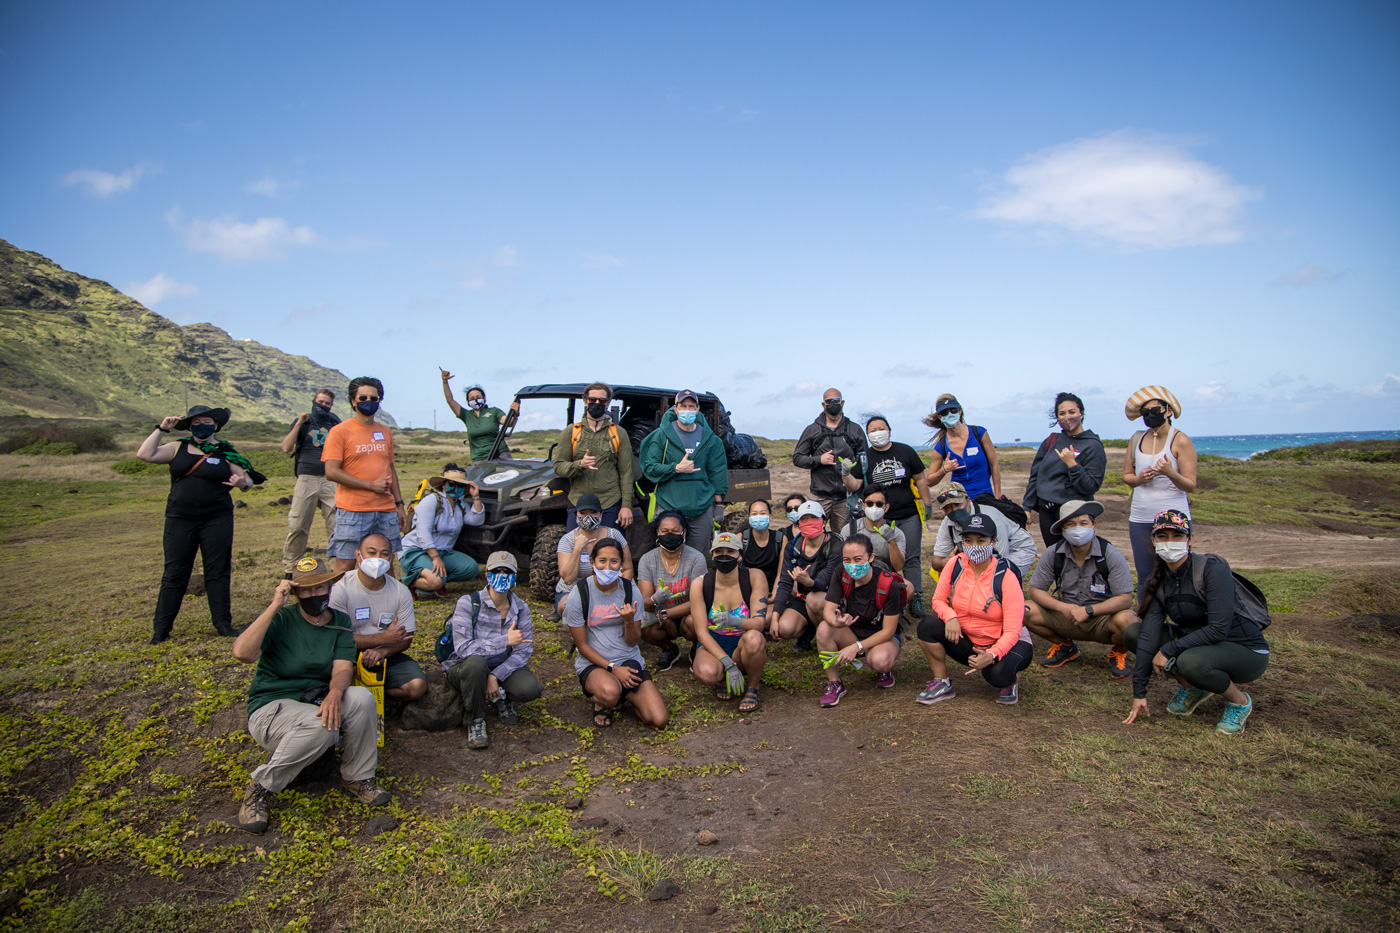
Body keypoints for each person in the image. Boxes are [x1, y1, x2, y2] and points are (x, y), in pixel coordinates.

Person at [233, 558, 389, 834]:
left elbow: (343, 668)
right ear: (295, 593)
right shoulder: (282, 619)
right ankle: (260, 788)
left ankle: (358, 777)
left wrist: (334, 692)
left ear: (329, 586)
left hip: (313, 702)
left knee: (361, 698)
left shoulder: (339, 622)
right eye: (304, 590)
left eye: (319, 588)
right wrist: (274, 605)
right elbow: (243, 653)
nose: (313, 595)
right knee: (324, 726)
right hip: (272, 707)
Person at [1122, 510, 1269, 735]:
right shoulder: (1161, 580)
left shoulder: (1211, 570)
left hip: (1245, 650)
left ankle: (1239, 702)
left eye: (1177, 536)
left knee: (1191, 661)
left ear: (1190, 539)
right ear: (1153, 540)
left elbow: (1218, 629)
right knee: (1134, 633)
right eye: (1162, 537)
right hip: (1201, 644)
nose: (1169, 543)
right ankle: (1193, 689)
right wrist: (1139, 692)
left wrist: (1169, 649)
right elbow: (1148, 635)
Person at [137, 405, 263, 644]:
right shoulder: (177, 448)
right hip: (180, 518)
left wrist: (241, 484)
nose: (200, 426)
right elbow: (145, 454)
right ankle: (161, 629)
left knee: (217, 570)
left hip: (217, 518)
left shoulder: (226, 453)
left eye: (205, 421)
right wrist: (161, 429)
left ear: (215, 425)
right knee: (175, 573)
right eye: (195, 423)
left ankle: (223, 624)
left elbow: (247, 481)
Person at [915, 513, 1033, 706]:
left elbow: (1013, 630)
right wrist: (950, 616)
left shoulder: (1006, 575)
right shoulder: (955, 564)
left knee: (998, 677)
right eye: (968, 541)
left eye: (981, 540)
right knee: (928, 625)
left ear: (993, 542)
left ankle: (1009, 680)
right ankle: (941, 682)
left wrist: (992, 654)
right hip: (970, 639)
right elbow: (938, 599)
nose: (974, 546)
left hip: (1006, 642)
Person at [441, 552, 543, 749]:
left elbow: (523, 652)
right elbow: (463, 649)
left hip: (499, 666)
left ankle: (500, 695)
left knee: (530, 689)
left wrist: (495, 675)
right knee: (477, 665)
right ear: (487, 575)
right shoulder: (468, 602)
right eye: (497, 571)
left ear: (515, 577)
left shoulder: (521, 608)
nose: (502, 575)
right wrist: (504, 641)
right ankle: (475, 720)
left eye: (508, 572)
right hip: (465, 667)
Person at [1024, 501, 1137, 677]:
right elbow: (1036, 590)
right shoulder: (1053, 553)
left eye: (1083, 523)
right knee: (1024, 610)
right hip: (1067, 615)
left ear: (1094, 525)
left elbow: (1125, 598)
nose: (1078, 529)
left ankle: (1119, 651)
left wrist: (1089, 610)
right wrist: (1063, 607)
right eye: (1070, 524)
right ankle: (1065, 646)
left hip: (1101, 618)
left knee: (1129, 621)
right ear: (1063, 529)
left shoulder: (1110, 554)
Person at [564, 539, 669, 729]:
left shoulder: (630, 591)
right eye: (602, 561)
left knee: (658, 720)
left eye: (614, 561)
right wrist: (613, 668)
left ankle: (624, 695)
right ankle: (604, 700)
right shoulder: (579, 594)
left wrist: (629, 621)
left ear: (621, 564)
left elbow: (633, 640)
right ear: (592, 562)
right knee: (609, 692)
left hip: (627, 661)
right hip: (595, 664)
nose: (607, 567)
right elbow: (582, 646)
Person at [841, 415, 930, 617]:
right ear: (868, 434)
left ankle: (914, 596)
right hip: (879, 517)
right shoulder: (864, 458)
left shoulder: (905, 450)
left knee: (911, 556)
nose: (877, 432)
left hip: (907, 513)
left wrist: (927, 503)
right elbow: (855, 485)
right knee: (876, 555)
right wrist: (845, 473)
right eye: (872, 430)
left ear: (889, 430)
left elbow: (920, 480)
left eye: (881, 428)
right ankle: (878, 592)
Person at [329, 532, 427, 702]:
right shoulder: (341, 588)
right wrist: (384, 638)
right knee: (339, 679)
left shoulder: (400, 591)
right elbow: (339, 639)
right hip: (347, 655)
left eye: (384, 554)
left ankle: (377, 694)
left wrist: (382, 651)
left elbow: (407, 638)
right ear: (358, 555)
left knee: (417, 687)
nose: (377, 558)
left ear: (391, 558)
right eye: (371, 553)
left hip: (386, 655)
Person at [323, 377, 407, 573]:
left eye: (374, 398)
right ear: (353, 401)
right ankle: (339, 604)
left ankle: (386, 603)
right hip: (353, 510)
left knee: (386, 564)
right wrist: (369, 485)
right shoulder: (339, 432)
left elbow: (390, 469)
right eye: (363, 397)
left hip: (386, 510)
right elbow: (331, 472)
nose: (368, 401)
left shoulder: (385, 432)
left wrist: (399, 504)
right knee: (346, 564)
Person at [1122, 387, 1198, 597]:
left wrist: (1169, 472)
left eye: (1155, 410)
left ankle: (1183, 615)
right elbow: (1127, 475)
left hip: (1173, 515)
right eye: (1145, 412)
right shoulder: (1136, 439)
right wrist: (1139, 479)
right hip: (1140, 516)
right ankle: (1147, 620)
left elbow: (1190, 484)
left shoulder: (1180, 440)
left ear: (1168, 411)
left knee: (1178, 569)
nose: (1150, 416)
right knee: (1145, 573)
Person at [816, 535, 905, 707]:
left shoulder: (888, 584)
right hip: (852, 632)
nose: (852, 565)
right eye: (847, 560)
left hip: (881, 636)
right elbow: (828, 610)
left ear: (871, 558)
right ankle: (834, 682)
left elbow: (888, 631)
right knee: (823, 628)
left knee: (880, 661)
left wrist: (857, 647)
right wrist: (836, 622)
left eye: (858, 559)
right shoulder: (841, 573)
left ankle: (884, 670)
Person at [688, 532, 770, 713]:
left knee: (754, 639)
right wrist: (727, 663)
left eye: (730, 551)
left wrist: (736, 621)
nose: (724, 556)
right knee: (707, 673)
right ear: (712, 555)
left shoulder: (754, 577)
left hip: (743, 643)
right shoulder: (701, 584)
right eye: (719, 552)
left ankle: (753, 687)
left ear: (739, 555)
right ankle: (722, 676)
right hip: (714, 642)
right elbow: (701, 632)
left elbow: (759, 624)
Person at [639, 390, 729, 546]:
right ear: (675, 409)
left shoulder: (710, 439)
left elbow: (717, 472)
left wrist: (719, 505)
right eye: (683, 406)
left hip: (701, 508)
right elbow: (649, 467)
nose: (687, 410)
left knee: (698, 555)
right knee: (667, 551)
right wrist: (676, 469)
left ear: (697, 409)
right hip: (668, 507)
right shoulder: (661, 436)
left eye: (691, 406)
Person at [1022, 392, 1107, 547]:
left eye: (1072, 412)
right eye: (1062, 413)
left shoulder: (1092, 445)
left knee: (1078, 556)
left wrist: (1072, 465)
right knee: (1055, 557)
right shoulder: (1051, 441)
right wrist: (1027, 507)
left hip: (1075, 514)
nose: (1067, 417)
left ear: (1081, 413)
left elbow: (1091, 486)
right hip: (1047, 512)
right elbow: (1036, 476)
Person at [553, 382, 635, 531]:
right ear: (585, 400)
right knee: (577, 548)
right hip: (579, 502)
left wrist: (626, 506)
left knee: (611, 549)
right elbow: (558, 466)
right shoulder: (571, 432)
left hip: (610, 502)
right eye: (592, 400)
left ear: (608, 403)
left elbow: (626, 472)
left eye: (602, 401)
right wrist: (579, 465)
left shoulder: (618, 433)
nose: (597, 403)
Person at [280, 389, 341, 577]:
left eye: (327, 403)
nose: (323, 406)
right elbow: (286, 447)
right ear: (313, 401)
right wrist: (299, 423)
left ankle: (336, 567)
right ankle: (291, 568)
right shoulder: (303, 423)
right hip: (306, 477)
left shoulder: (335, 422)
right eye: (320, 402)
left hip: (330, 479)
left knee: (336, 524)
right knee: (298, 524)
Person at [397, 467, 485, 597]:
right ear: (443, 486)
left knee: (470, 569)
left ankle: (436, 578)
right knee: (436, 581)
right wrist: (435, 557)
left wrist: (476, 497)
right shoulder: (432, 500)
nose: (456, 487)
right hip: (417, 550)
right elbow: (423, 532)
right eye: (452, 484)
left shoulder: (460, 505)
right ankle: (407, 583)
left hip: (444, 551)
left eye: (460, 485)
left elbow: (476, 520)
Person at [637, 511, 708, 672]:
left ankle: (698, 647)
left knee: (694, 621)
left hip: (686, 614)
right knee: (642, 627)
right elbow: (645, 602)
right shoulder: (647, 560)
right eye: (665, 531)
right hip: (659, 616)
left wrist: (666, 613)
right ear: (657, 532)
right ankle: (669, 649)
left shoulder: (696, 558)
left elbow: (699, 601)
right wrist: (655, 599)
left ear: (684, 533)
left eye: (675, 531)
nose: (670, 535)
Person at [766, 501, 844, 646]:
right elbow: (785, 582)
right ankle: (809, 629)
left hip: (828, 598)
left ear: (824, 521)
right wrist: (775, 618)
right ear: (798, 522)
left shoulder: (834, 546)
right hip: (803, 597)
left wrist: (808, 582)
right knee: (784, 628)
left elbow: (825, 581)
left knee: (815, 599)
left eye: (813, 518)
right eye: (803, 519)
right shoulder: (793, 546)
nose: (808, 522)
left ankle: (829, 637)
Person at [792, 388, 866, 534]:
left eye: (836, 401)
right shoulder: (812, 430)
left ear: (842, 403)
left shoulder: (855, 430)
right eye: (829, 401)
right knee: (811, 533)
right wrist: (819, 460)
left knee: (844, 537)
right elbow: (798, 458)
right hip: (819, 496)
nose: (833, 404)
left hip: (846, 497)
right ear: (823, 405)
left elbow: (864, 461)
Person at [931, 482, 1038, 578]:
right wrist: (947, 563)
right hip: (981, 556)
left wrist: (957, 563)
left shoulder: (991, 519)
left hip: (1016, 549)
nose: (954, 510)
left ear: (968, 500)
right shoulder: (947, 522)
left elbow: (999, 562)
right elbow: (936, 562)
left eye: (957, 504)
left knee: (1000, 580)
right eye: (948, 508)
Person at [555, 493, 634, 619]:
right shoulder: (567, 540)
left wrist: (625, 593)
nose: (588, 517)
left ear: (601, 514)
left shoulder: (614, 535)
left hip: (610, 589)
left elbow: (628, 569)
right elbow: (568, 579)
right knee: (567, 605)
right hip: (573, 590)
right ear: (576, 514)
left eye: (593, 512)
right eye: (583, 512)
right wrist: (578, 549)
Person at [923, 394, 1002, 500]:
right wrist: (945, 469)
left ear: (960, 411)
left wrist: (998, 495)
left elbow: (994, 465)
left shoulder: (979, 433)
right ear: (940, 417)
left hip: (985, 497)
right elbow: (929, 481)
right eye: (944, 412)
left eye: (953, 410)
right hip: (959, 502)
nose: (949, 414)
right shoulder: (941, 446)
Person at [439, 369, 520, 462]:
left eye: (478, 397)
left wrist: (515, 412)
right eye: (472, 398)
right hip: (479, 458)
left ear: (484, 398)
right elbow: (450, 400)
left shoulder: (494, 411)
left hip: (500, 455)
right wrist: (445, 381)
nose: (476, 400)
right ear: (468, 402)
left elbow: (508, 422)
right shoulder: (466, 415)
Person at [839, 488, 906, 575]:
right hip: (855, 575)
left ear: (886, 507)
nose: (874, 507)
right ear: (863, 506)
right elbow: (842, 561)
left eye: (879, 504)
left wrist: (891, 541)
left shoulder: (896, 533)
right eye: (869, 504)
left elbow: (898, 566)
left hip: (884, 577)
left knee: (908, 587)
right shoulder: (849, 530)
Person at [740, 499, 785, 590]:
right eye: (754, 514)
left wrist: (774, 595)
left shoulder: (780, 539)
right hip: (747, 589)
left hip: (772, 588)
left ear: (770, 516)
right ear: (749, 517)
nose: (758, 517)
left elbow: (781, 572)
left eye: (763, 513)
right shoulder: (741, 538)